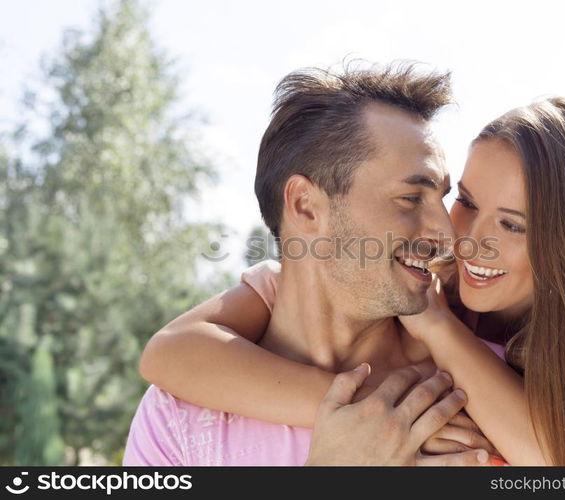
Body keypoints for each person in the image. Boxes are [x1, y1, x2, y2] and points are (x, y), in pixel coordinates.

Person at [139, 96, 565, 465]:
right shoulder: (183, 413)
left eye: (514, 225)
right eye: (463, 202)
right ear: (305, 206)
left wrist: (436, 328)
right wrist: (371, 414)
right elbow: (168, 352)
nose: (456, 237)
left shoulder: (503, 405)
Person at [123, 62, 501, 466]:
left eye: (443, 198)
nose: (446, 235)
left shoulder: (488, 398)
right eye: (411, 198)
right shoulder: (179, 418)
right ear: (305, 207)